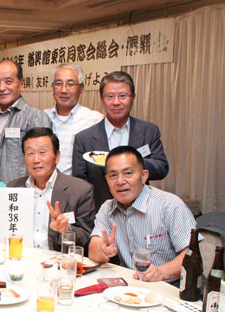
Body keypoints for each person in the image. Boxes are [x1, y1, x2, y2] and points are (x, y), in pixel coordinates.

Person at [88, 146, 195, 282]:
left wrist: (161, 272)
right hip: (130, 286)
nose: (120, 181)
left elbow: (192, 254)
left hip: (168, 286)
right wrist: (102, 250)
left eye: (128, 173)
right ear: (107, 179)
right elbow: (93, 249)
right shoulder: (107, 209)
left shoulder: (169, 205)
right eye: (113, 175)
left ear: (144, 176)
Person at [72, 71, 169, 211]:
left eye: (122, 96)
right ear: (102, 98)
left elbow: (161, 168)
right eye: (110, 96)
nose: (116, 102)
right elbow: (79, 182)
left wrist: (133, 163)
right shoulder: (84, 138)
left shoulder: (148, 130)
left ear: (133, 97)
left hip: (141, 210)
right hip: (100, 212)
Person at [7, 127, 95, 251]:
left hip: (57, 260)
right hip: (22, 257)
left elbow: (87, 236)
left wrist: (66, 230)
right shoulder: (13, 188)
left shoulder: (80, 190)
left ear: (57, 156)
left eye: (42, 152)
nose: (36, 160)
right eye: (30, 153)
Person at [44, 63, 103, 175]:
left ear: (81, 89)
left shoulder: (95, 120)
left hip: (78, 183)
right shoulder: (42, 117)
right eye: (58, 84)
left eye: (70, 84)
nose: (63, 90)